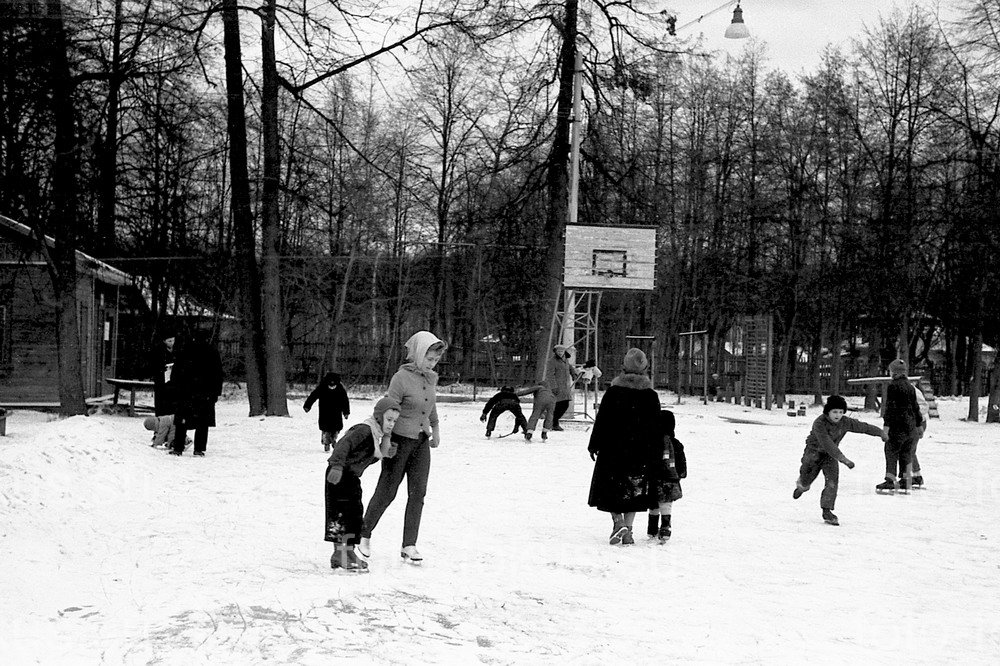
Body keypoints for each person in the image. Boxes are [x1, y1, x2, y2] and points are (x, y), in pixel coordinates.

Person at [359, 331, 446, 564]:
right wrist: (385, 441)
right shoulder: (401, 378)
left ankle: (409, 544)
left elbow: (431, 406)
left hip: (420, 442)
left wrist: (435, 429)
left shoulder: (430, 379)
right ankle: (364, 533)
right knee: (387, 491)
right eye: (429, 359)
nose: (432, 364)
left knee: (418, 493)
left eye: (436, 360)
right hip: (398, 441)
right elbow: (388, 410)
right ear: (418, 354)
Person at [587, 348, 661, 545]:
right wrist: (656, 450)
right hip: (640, 450)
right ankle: (628, 531)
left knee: (610, 486)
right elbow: (656, 426)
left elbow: (601, 420)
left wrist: (594, 444)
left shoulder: (613, 392)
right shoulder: (650, 395)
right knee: (635, 489)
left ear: (623, 367)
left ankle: (618, 521)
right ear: (645, 368)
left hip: (613, 447)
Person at [325, 396, 400, 572]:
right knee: (341, 514)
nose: (391, 424)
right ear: (379, 417)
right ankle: (340, 554)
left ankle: (347, 552)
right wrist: (336, 466)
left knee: (354, 513)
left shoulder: (375, 436)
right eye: (388, 420)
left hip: (351, 477)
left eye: (394, 421)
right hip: (339, 474)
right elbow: (344, 445)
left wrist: (385, 452)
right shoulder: (364, 430)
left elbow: (362, 458)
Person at [793, 395, 888, 525]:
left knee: (832, 481)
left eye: (841, 412)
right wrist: (843, 459)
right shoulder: (819, 423)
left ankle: (827, 511)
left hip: (830, 456)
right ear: (828, 412)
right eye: (834, 412)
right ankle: (802, 486)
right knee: (807, 477)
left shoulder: (845, 422)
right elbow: (827, 443)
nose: (838, 415)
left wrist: (880, 433)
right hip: (813, 452)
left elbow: (863, 427)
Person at [169, 329, 223, 457]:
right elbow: (217, 374)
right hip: (205, 393)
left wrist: (175, 388)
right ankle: (199, 449)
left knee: (182, 421)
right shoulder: (212, 351)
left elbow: (176, 372)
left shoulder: (184, 350)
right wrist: (216, 393)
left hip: (186, 392)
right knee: (202, 423)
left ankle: (178, 447)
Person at [877, 359, 924, 494]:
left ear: (893, 372)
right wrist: (919, 425)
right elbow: (915, 407)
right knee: (906, 453)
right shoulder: (910, 386)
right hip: (910, 427)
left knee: (891, 451)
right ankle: (905, 480)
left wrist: (886, 427)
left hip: (897, 426)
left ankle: (890, 480)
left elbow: (890, 408)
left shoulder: (893, 386)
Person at [647, 409, 684, 542]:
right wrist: (680, 474)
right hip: (670, 478)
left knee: (653, 503)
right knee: (666, 503)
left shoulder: (651, 442)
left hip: (655, 477)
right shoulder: (676, 443)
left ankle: (652, 529)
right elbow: (681, 461)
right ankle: (666, 526)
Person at [304, 372, 351, 452]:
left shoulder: (340, 388)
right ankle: (327, 442)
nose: (332, 385)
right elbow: (313, 396)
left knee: (336, 428)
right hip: (325, 411)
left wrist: (346, 412)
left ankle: (333, 439)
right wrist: (307, 405)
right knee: (326, 428)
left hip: (336, 412)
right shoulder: (322, 387)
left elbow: (344, 401)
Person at [549, 345, 580, 431]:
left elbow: (569, 367)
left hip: (565, 387)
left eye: (561, 351)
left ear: (564, 352)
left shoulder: (565, 359)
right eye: (558, 351)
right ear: (555, 352)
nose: (560, 353)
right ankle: (553, 423)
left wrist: (573, 374)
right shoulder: (552, 361)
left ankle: (553, 422)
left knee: (564, 404)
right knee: (559, 405)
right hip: (557, 387)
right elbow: (550, 375)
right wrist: (553, 387)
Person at [150, 326, 178, 417]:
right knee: (161, 408)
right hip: (161, 383)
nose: (172, 343)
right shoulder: (159, 351)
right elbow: (154, 366)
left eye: (173, 341)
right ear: (164, 341)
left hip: (173, 383)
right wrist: (162, 369)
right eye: (169, 341)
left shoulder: (177, 351)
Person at [909, 386, 930, 488]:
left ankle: (914, 476)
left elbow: (924, 406)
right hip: (908, 423)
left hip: (918, 423)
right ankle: (915, 476)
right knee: (907, 449)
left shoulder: (912, 390)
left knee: (908, 449)